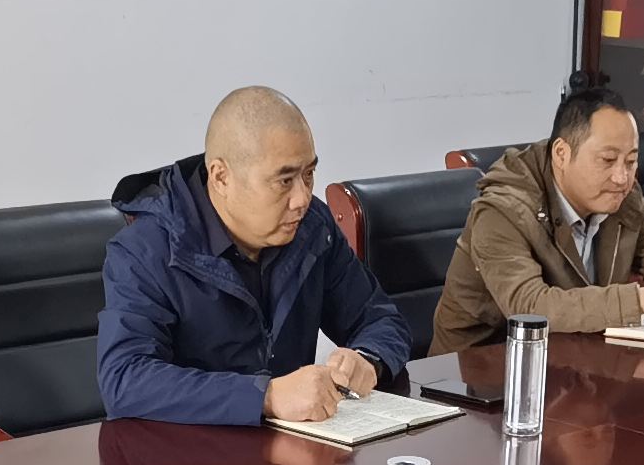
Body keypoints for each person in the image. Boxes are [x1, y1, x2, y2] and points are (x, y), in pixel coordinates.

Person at [97, 85, 411, 424]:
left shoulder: (312, 227)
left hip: (294, 444)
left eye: (308, 174)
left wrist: (368, 358)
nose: (303, 198)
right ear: (221, 177)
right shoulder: (145, 250)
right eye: (284, 180)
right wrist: (265, 397)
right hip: (188, 449)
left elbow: (380, 319)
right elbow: (125, 379)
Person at [424, 88, 644, 355]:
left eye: (631, 161)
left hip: (573, 362)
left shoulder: (623, 198)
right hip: (477, 374)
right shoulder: (503, 209)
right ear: (561, 154)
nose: (622, 177)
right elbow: (530, 306)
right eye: (608, 160)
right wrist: (641, 301)